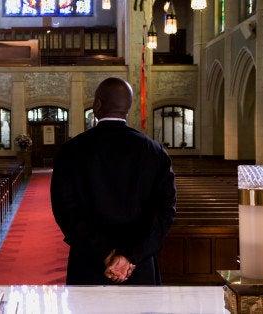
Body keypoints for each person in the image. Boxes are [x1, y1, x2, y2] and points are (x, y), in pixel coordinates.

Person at [50, 77, 177, 285]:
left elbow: (65, 211)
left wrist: (104, 253)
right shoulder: (154, 151)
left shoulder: (71, 150)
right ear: (128, 107)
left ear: (97, 105)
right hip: (138, 268)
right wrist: (131, 257)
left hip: (88, 264)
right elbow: (165, 212)